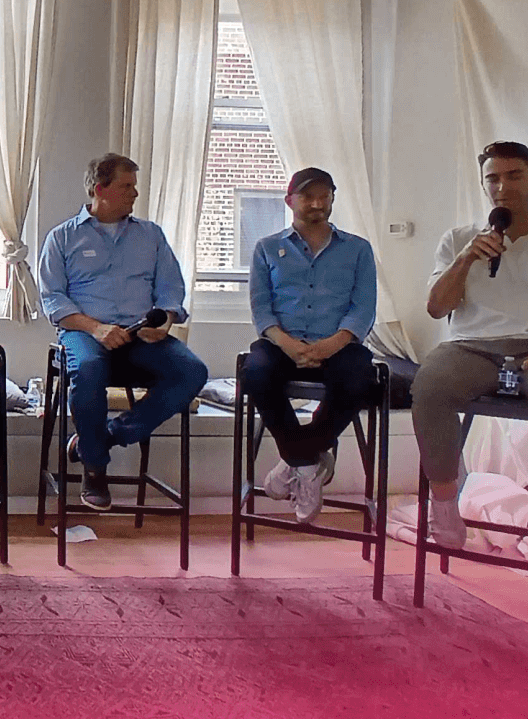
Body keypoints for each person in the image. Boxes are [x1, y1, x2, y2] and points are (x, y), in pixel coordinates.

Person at [414, 140, 528, 567]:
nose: (503, 186)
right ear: (484, 186)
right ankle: (445, 502)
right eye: (493, 178)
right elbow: (436, 307)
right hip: (470, 349)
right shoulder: (459, 240)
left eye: (514, 176)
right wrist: (465, 259)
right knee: (430, 383)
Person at [38, 153, 208, 510]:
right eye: (126, 186)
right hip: (85, 333)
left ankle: (102, 439)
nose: (135, 193)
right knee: (87, 369)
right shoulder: (62, 238)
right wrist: (96, 328)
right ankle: (95, 470)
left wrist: (165, 320)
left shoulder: (151, 235)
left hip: (141, 334)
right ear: (100, 189)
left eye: (134, 186)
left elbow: (171, 291)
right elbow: (53, 301)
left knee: (192, 372)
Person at [241, 167, 378, 524]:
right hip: (281, 342)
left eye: (324, 195)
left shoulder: (358, 249)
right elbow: (260, 307)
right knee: (255, 373)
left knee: (360, 377)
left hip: (338, 343)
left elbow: (363, 308)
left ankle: (297, 459)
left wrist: (330, 346)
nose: (317, 203)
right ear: (290, 201)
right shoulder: (267, 248)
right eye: (307, 196)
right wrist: (288, 344)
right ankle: (309, 464)